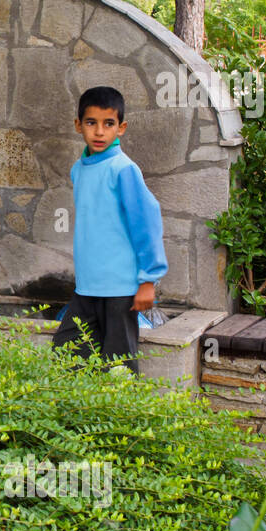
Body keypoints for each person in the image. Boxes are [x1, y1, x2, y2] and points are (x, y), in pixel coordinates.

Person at [51, 85, 167, 374]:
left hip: (120, 290)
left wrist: (148, 280)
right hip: (87, 287)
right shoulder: (79, 169)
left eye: (108, 124)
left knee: (118, 365)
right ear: (79, 126)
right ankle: (79, 416)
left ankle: (124, 417)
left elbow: (146, 222)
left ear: (121, 128)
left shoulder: (123, 169)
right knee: (67, 350)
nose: (99, 132)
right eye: (91, 123)